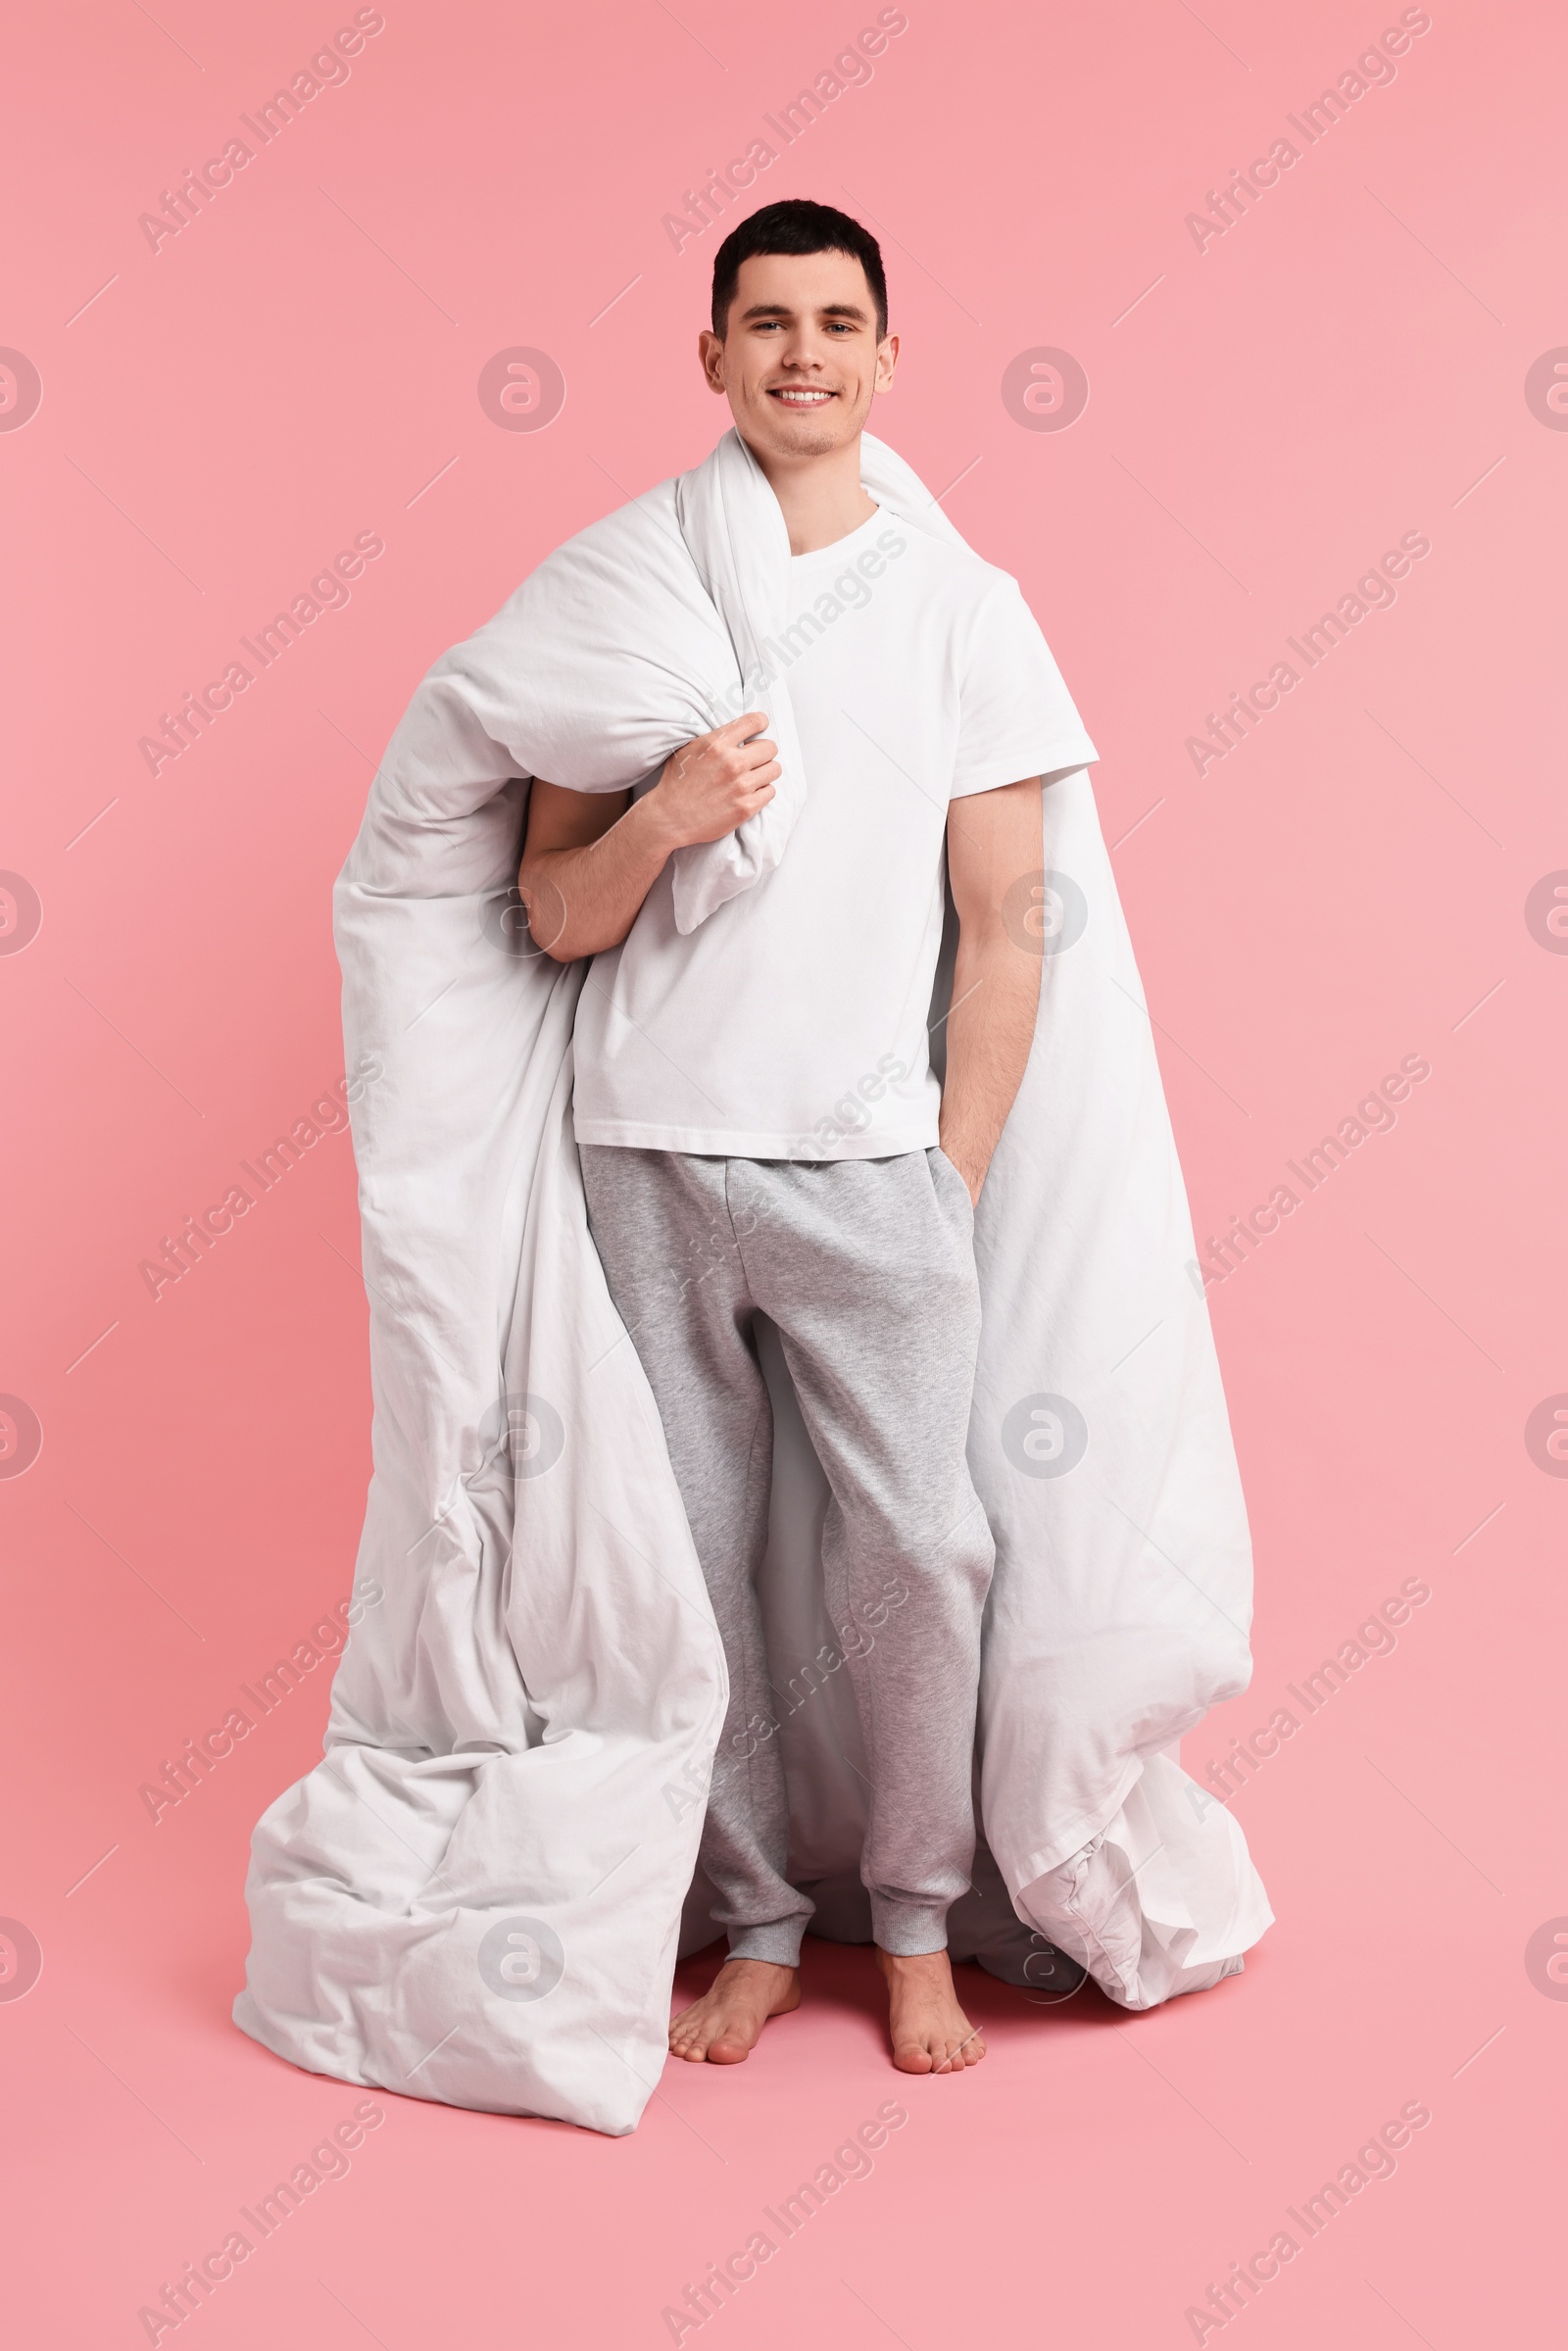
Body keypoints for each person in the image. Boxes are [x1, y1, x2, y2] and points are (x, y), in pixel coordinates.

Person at [514, 200, 1096, 2077]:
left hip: (870, 1171)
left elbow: (1009, 919)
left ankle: (919, 1919)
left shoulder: (970, 610)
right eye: (763, 323)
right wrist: (668, 811)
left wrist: (956, 1174)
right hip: (648, 1151)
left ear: (889, 357)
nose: (801, 354)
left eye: (838, 322)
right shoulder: (623, 593)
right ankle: (757, 1920)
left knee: (922, 1551)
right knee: (682, 1559)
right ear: (710, 357)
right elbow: (553, 911)